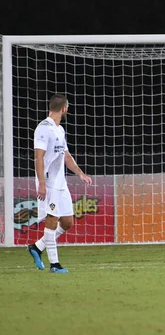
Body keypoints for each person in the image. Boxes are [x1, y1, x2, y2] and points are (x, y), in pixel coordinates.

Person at [26, 94, 93, 273]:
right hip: (48, 181)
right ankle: (55, 265)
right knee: (52, 219)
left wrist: (80, 173)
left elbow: (66, 156)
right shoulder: (43, 128)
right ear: (64, 108)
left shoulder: (60, 130)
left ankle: (37, 247)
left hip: (60, 182)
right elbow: (38, 157)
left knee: (67, 221)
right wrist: (41, 183)